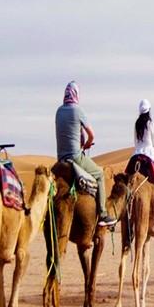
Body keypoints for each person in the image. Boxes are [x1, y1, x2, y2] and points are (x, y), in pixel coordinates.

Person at [55, 81, 116, 227]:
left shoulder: (58, 111)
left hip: (60, 158)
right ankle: (102, 214)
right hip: (75, 157)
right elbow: (91, 135)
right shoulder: (78, 110)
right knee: (100, 174)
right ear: (76, 94)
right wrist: (87, 143)